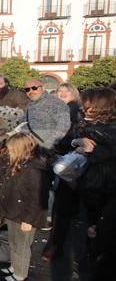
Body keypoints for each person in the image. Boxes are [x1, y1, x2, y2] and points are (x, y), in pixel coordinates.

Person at [70, 87, 116, 276]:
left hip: (105, 186)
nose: (83, 108)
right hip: (92, 183)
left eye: (87, 105)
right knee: (92, 223)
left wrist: (90, 151)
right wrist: (78, 143)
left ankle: (97, 260)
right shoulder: (89, 123)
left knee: (100, 228)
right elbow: (74, 137)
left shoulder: (108, 129)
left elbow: (109, 155)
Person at [0, 132, 50, 281]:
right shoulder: (19, 162)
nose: (9, 152)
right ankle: (15, 266)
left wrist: (29, 220)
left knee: (22, 246)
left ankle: (20, 274)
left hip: (25, 216)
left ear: (21, 149)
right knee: (13, 242)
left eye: (12, 149)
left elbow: (37, 199)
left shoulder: (35, 169)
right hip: (14, 211)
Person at [43, 83, 83, 262]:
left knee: (63, 203)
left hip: (67, 159)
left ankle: (56, 245)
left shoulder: (73, 111)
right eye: (59, 92)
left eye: (66, 93)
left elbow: (70, 137)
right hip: (58, 156)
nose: (61, 95)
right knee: (58, 199)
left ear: (73, 94)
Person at [22, 78, 70, 151]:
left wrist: (48, 145)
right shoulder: (29, 104)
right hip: (28, 148)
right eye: (27, 89)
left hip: (44, 151)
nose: (31, 91)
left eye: (34, 88)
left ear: (43, 88)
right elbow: (24, 124)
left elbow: (63, 126)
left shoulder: (55, 103)